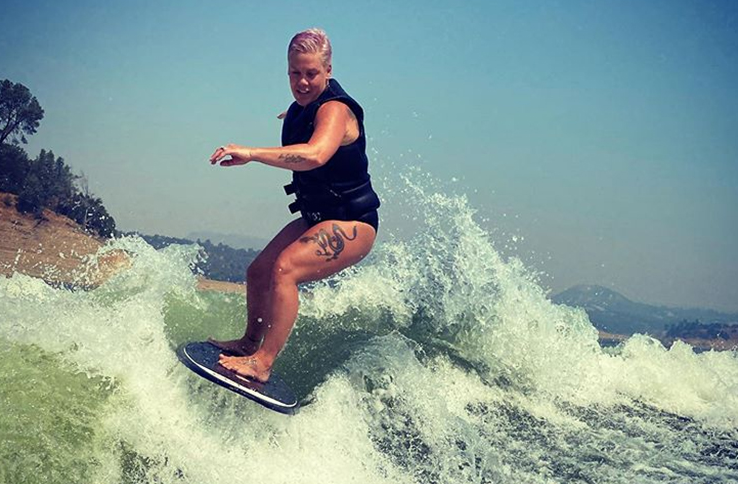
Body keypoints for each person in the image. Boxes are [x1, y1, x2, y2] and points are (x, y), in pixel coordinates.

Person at [208, 28, 380, 383]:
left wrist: (252, 153)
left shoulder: (335, 110)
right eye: (294, 73)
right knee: (259, 272)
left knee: (285, 269)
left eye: (311, 73)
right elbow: (307, 117)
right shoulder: (303, 108)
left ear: (328, 70)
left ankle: (263, 363)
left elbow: (315, 155)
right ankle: (249, 343)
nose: (302, 82)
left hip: (352, 222)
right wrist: (297, 114)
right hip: (316, 217)